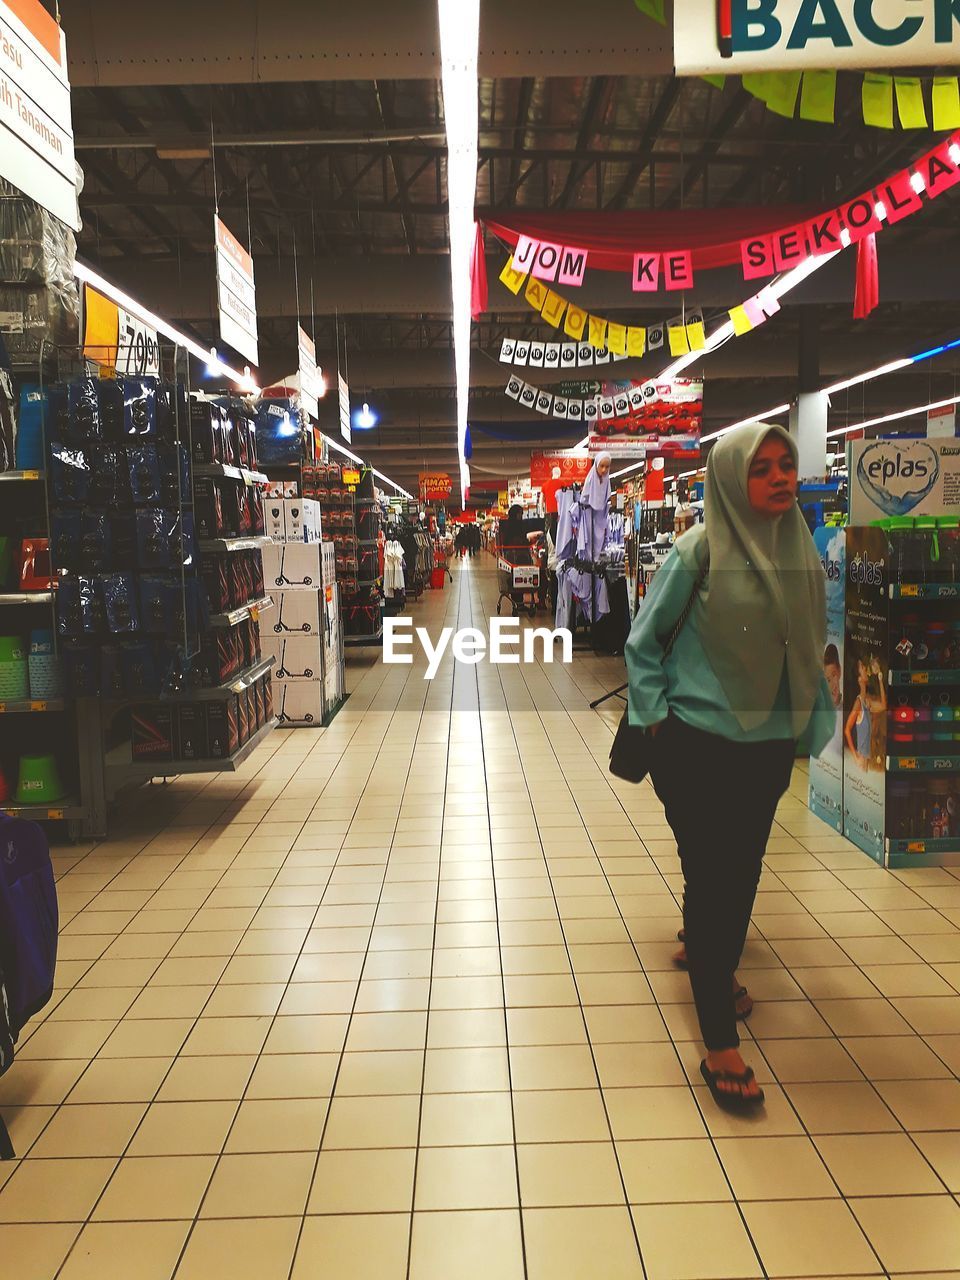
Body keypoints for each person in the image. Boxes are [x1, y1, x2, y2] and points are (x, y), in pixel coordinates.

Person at [625, 424, 834, 1112]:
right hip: (696, 741)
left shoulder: (798, 547)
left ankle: (710, 953)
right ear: (728, 479)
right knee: (719, 878)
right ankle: (718, 1037)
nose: (780, 478)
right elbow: (644, 641)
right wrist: (656, 716)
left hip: (768, 746)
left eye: (786, 466)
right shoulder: (699, 550)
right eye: (762, 468)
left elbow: (804, 645)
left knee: (735, 871)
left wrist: (814, 716)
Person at [845, 654, 886, 770]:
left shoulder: (867, 702)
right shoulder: (858, 703)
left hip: (867, 758)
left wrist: (879, 677)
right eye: (862, 667)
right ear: (859, 679)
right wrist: (855, 756)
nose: (865, 668)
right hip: (861, 759)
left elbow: (883, 706)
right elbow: (847, 729)